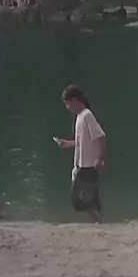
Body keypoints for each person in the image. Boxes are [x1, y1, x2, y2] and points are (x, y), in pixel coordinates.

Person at [54, 85, 106, 223]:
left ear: (75, 100)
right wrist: (66, 143)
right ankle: (99, 221)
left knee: (77, 198)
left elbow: (101, 136)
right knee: (88, 197)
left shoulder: (87, 115)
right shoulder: (80, 117)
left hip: (88, 165)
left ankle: (99, 220)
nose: (67, 107)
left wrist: (99, 158)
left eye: (67, 103)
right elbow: (80, 142)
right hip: (81, 164)